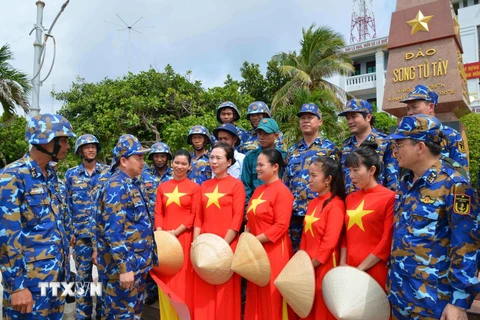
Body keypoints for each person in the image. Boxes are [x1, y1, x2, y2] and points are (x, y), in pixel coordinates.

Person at [386, 115, 479, 319]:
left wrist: (459, 303)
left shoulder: (455, 185)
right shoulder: (405, 183)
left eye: (400, 144)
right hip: (401, 295)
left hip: (433, 302)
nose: (394, 150)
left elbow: (466, 247)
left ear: (420, 147)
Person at [0, 113, 75, 319]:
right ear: (47, 140)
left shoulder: (51, 176)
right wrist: (16, 286)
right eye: (64, 140)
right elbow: (6, 235)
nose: (68, 146)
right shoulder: (12, 177)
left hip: (56, 279)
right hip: (29, 284)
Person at [96, 134, 155, 319]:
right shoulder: (116, 186)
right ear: (123, 160)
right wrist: (124, 268)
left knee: (133, 315)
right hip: (122, 271)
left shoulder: (133, 183)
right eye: (138, 158)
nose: (143, 162)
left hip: (136, 267)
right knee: (120, 315)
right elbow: (114, 231)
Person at [193, 142, 246, 320]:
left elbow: (237, 218)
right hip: (205, 247)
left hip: (227, 245)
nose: (213, 161)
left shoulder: (237, 186)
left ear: (229, 162)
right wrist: (195, 243)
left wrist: (223, 245)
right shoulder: (204, 185)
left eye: (218, 158)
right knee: (204, 291)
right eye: (211, 157)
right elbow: (198, 217)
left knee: (226, 293)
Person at [244, 149, 295, 319]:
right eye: (256, 165)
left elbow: (281, 226)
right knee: (256, 293)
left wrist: (253, 242)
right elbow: (249, 220)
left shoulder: (283, 192)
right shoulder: (258, 191)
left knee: (271, 296)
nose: (256, 168)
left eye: (260, 165)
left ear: (275, 167)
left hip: (274, 252)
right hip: (255, 251)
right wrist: (248, 238)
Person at [283, 103, 340, 252]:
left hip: (319, 213)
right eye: (302, 118)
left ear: (320, 122)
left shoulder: (330, 148)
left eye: (310, 117)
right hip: (295, 213)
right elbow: (286, 182)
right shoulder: (292, 150)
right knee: (295, 254)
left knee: (317, 252)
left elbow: (336, 180)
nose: (305, 121)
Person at [339, 141, 395, 291]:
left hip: (374, 268)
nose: (351, 176)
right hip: (349, 268)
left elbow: (387, 240)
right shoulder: (350, 198)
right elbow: (344, 235)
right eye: (349, 170)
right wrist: (343, 263)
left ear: (372, 170)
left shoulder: (389, 197)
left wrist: (361, 269)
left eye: (356, 170)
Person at [153, 149, 201, 317]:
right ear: (171, 163)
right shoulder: (162, 187)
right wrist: (160, 235)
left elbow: (194, 215)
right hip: (164, 240)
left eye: (184, 164)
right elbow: (158, 213)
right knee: (165, 279)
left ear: (189, 167)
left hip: (184, 238)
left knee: (183, 281)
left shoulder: (195, 188)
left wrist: (175, 233)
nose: (179, 166)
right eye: (177, 163)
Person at [300, 156, 346, 320]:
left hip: (325, 265)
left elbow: (330, 242)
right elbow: (305, 236)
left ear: (328, 180)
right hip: (308, 265)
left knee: (323, 310)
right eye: (309, 174)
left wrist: (312, 264)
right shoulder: (313, 203)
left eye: (313, 175)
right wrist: (302, 262)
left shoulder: (336, 204)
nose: (309, 179)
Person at [401, 84, 470, 180]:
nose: (410, 113)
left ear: (431, 107)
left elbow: (462, 175)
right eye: (408, 109)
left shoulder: (451, 136)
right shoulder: (406, 137)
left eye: (414, 107)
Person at [338, 99, 398, 194]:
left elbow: (393, 180)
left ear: (368, 117)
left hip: (377, 202)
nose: (350, 121)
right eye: (348, 118)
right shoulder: (346, 145)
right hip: (351, 203)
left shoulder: (385, 142)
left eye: (354, 117)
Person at [140, 141, 174, 305]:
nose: (159, 159)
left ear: (167, 157)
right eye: (156, 156)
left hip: (170, 222)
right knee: (150, 258)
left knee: (167, 258)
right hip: (148, 222)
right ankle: (152, 291)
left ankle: (169, 290)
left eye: (162, 156)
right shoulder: (144, 174)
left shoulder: (175, 173)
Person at [241, 118, 287, 205]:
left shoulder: (283, 156)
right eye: (259, 133)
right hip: (256, 203)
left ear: (276, 135)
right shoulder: (250, 157)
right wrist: (247, 205)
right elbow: (245, 185)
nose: (262, 137)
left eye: (266, 133)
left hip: (277, 202)